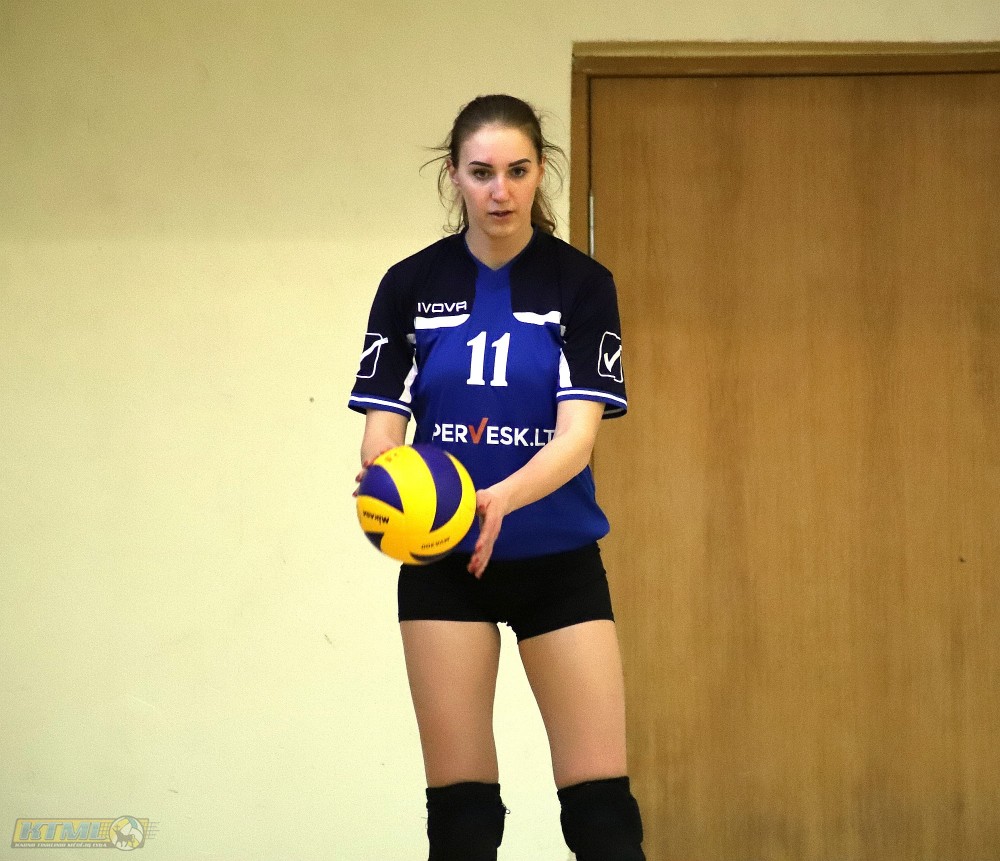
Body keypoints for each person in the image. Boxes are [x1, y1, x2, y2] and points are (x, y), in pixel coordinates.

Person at [349, 94, 645, 861]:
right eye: (482, 172)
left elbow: (576, 438)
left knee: (603, 817)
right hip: (443, 565)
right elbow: (382, 425)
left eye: (517, 171)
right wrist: (382, 471)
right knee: (463, 820)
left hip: (557, 562)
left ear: (540, 172)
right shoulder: (410, 285)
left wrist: (497, 501)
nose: (500, 190)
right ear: (454, 175)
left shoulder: (582, 284)